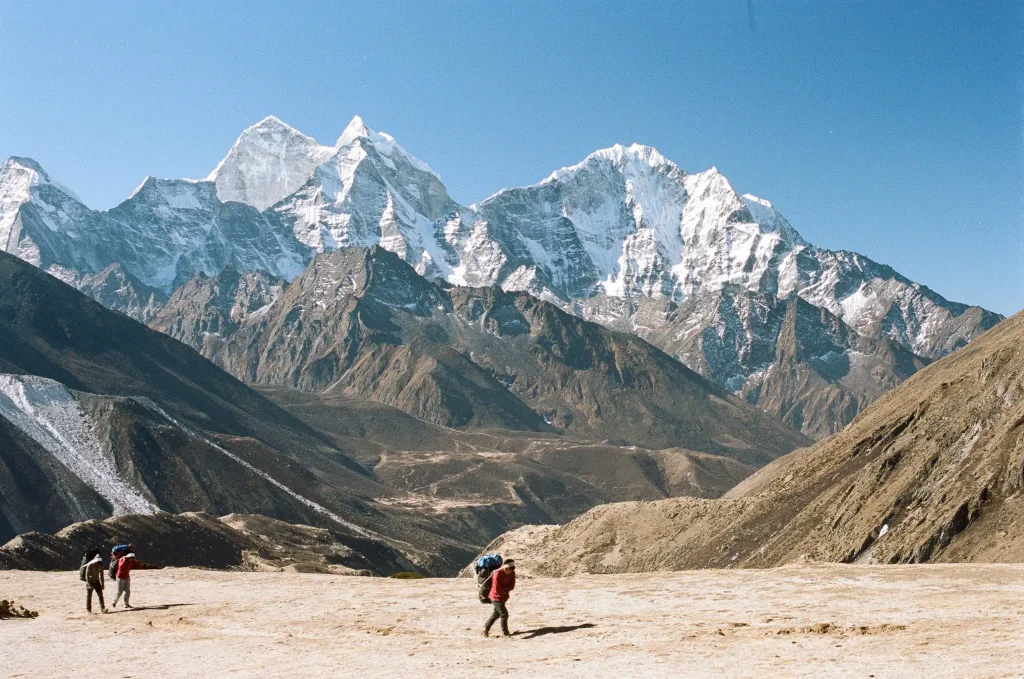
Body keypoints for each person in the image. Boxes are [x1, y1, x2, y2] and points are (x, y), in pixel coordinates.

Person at [484, 558, 516, 637]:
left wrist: (505, 589)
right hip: (495, 597)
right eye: (509, 569)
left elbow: (512, 586)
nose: (511, 571)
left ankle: (486, 628)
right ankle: (505, 632)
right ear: (505, 568)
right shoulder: (497, 574)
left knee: (496, 614)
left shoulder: (512, 573)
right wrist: (506, 588)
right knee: (504, 614)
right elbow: (497, 589)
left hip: (503, 597)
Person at [79, 549, 107, 614]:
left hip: (97, 581)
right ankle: (89, 610)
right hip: (90, 582)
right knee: (89, 596)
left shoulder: (100, 566)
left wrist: (102, 584)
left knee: (100, 595)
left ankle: (103, 608)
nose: (98, 565)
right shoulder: (90, 565)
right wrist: (89, 585)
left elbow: (102, 576)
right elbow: (87, 576)